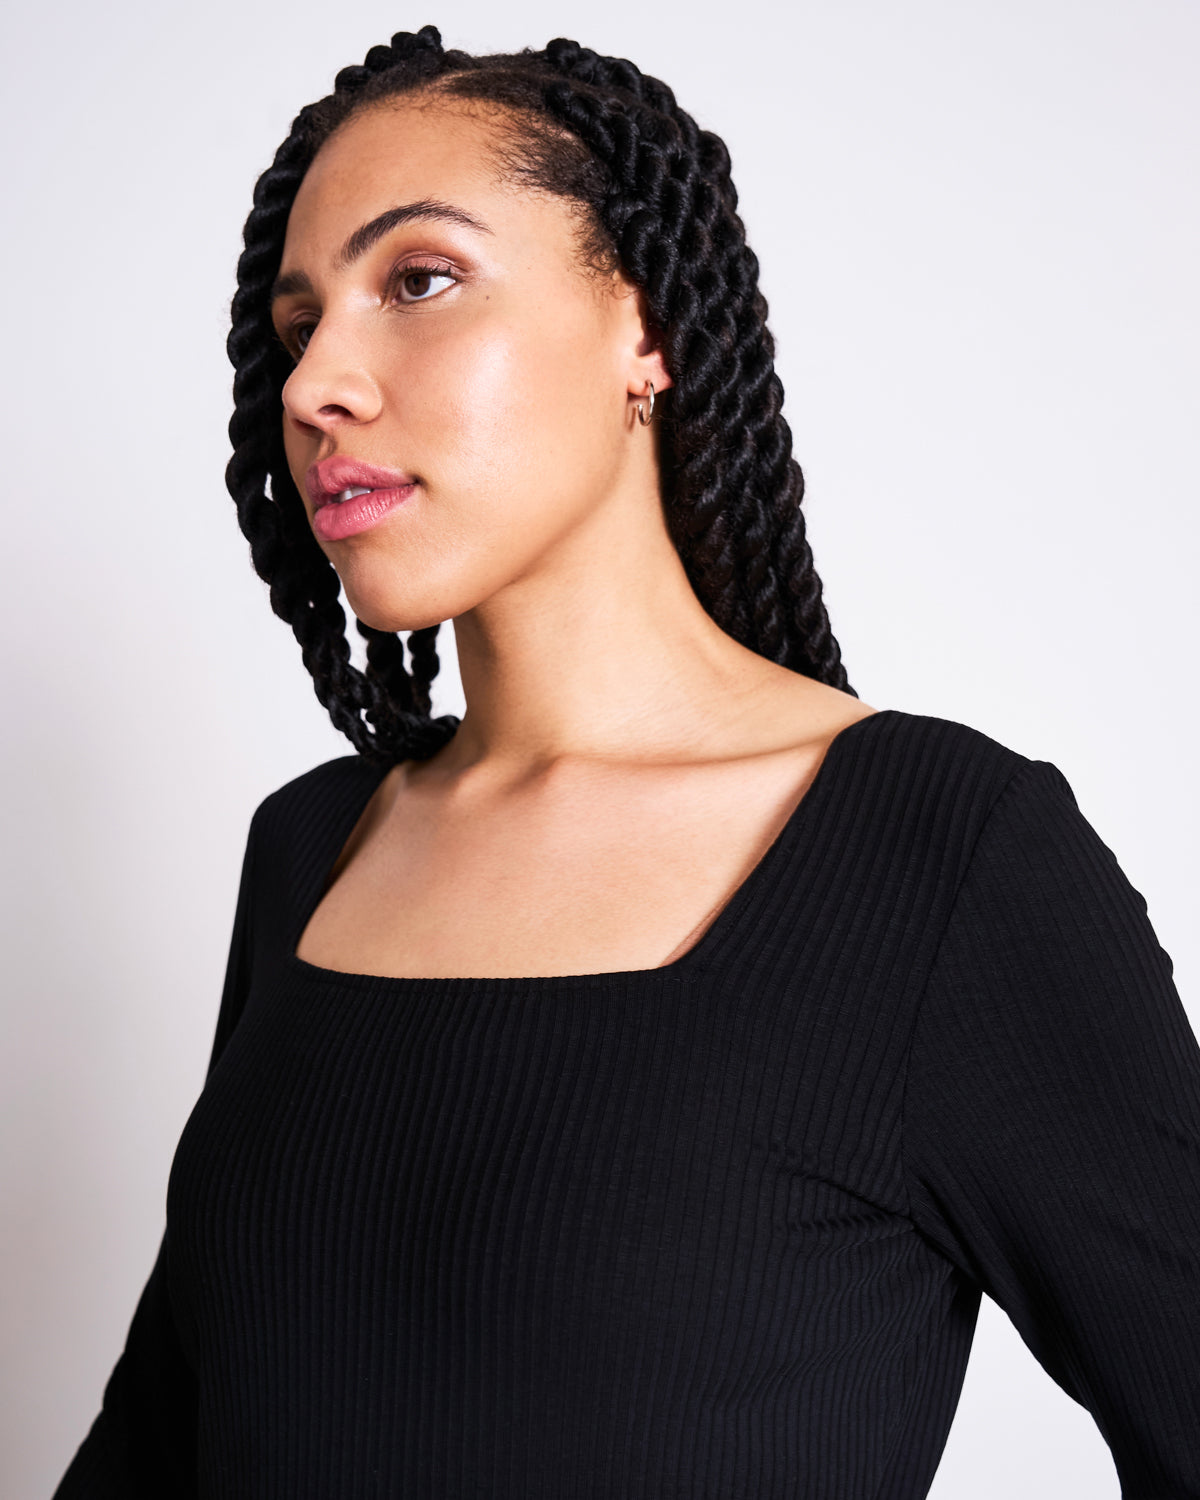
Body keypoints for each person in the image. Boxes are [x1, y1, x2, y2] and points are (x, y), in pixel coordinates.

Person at [52, 25, 1200, 1500]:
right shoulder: (311, 852)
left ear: (644, 325)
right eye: (299, 325)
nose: (319, 382)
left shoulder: (943, 859)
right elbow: (158, 1450)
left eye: (419, 281)